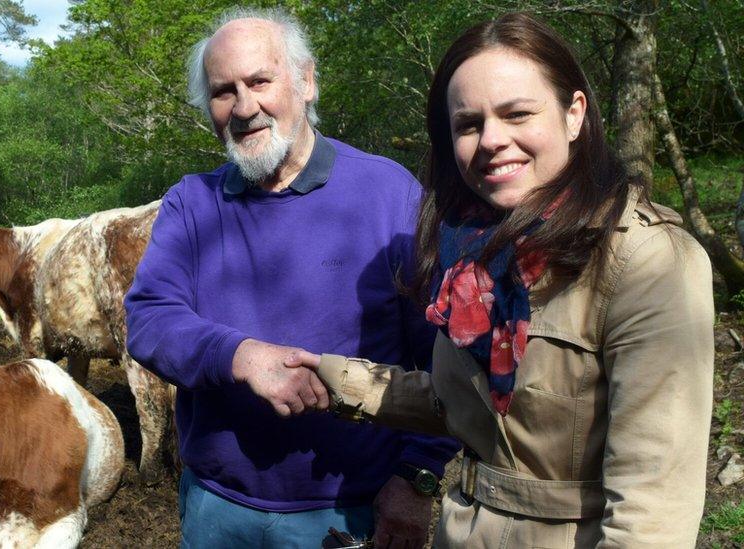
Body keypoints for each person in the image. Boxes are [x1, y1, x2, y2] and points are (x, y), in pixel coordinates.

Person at [286, 12, 715, 548]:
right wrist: (331, 378)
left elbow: (652, 514)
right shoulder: (472, 254)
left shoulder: (648, 261)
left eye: (517, 114)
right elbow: (461, 405)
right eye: (468, 124)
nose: (491, 140)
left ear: (574, 114)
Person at [124, 7, 457, 548]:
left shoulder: (388, 194)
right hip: (215, 508)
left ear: (305, 81)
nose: (244, 107)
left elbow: (444, 357)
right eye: (223, 91)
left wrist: (417, 479)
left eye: (260, 81)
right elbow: (148, 320)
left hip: (347, 514)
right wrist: (242, 355)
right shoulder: (192, 202)